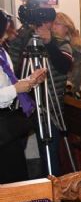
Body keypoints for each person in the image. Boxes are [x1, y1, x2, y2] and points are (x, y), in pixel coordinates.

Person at [6, 4, 73, 177]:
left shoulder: (61, 43)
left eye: (46, 22)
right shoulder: (23, 39)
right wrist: (23, 35)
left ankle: (52, 191)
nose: (42, 26)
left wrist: (49, 42)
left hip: (49, 106)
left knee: (49, 152)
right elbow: (12, 69)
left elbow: (64, 66)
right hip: (24, 104)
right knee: (13, 152)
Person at [0, 10, 46, 183]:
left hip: (6, 121)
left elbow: (9, 83)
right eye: (5, 30)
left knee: (16, 173)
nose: (7, 34)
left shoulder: (2, 53)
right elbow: (10, 89)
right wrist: (15, 89)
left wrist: (30, 81)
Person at [52, 13, 81, 100]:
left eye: (57, 24)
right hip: (53, 94)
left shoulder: (77, 48)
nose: (53, 27)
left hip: (70, 95)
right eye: (52, 23)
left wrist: (66, 89)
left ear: (66, 28)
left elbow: (77, 78)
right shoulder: (52, 45)